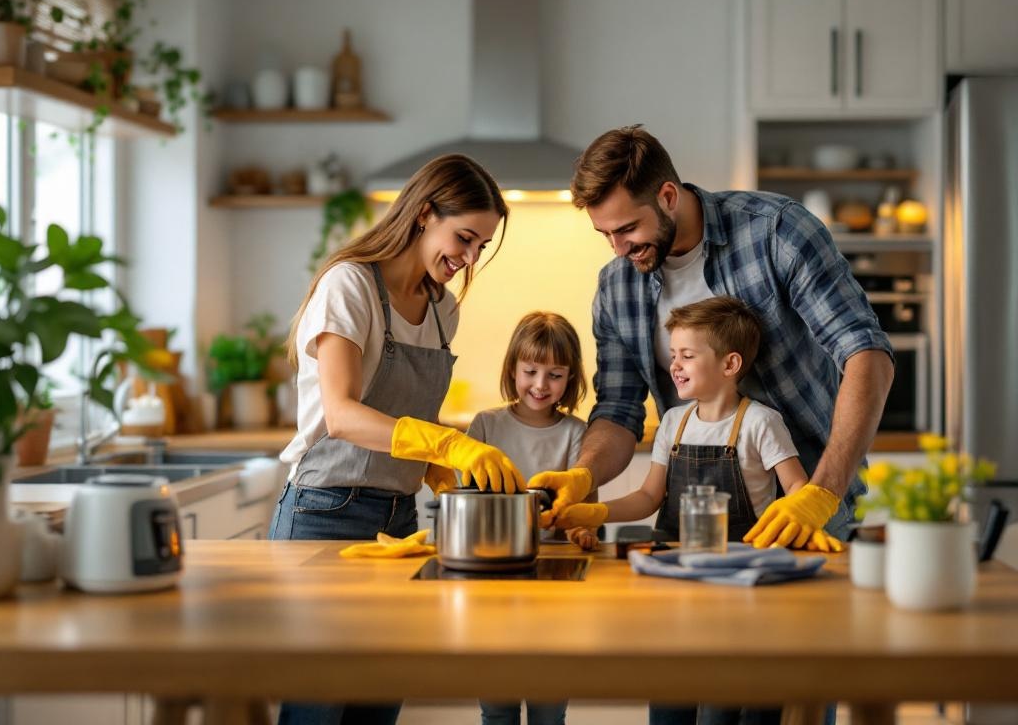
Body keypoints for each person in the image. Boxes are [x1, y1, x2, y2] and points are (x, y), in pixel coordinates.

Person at [530, 124, 894, 553]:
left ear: (667, 197)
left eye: (627, 228)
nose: (618, 249)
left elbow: (866, 354)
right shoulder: (616, 288)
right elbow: (618, 410)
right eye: (605, 234)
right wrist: (584, 476)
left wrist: (822, 494)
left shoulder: (777, 232)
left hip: (809, 509)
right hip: (693, 529)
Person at [269, 153, 527, 725]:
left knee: (377, 706)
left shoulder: (443, 310)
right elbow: (341, 415)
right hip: (324, 512)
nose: (466, 259)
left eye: (480, 247)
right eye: (463, 238)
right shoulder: (350, 285)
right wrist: (446, 445)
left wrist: (434, 466)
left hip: (398, 524)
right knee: (317, 708)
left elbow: (402, 421)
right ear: (424, 214)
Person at [563, 297, 802, 725]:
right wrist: (589, 512)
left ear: (730, 365)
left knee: (723, 703)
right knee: (670, 696)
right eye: (673, 355)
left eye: (687, 355)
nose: (675, 365)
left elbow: (798, 491)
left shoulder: (760, 423)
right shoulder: (673, 421)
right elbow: (648, 498)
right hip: (674, 583)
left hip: (739, 586)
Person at [467, 311, 588, 725]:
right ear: (513, 370)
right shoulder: (485, 425)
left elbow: (579, 514)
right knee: (497, 707)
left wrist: (579, 529)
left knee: (549, 709)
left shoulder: (576, 433)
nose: (540, 385)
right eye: (531, 371)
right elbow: (464, 497)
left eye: (555, 374)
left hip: (555, 583)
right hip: (491, 580)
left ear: (570, 378)